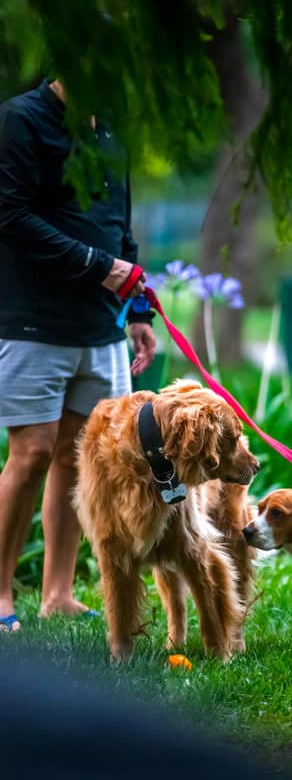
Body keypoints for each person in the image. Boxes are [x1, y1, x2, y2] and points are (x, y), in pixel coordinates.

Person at [0, 77, 157, 631]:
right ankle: (0, 595)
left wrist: (139, 310)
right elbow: (10, 216)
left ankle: (58, 593)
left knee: (78, 458)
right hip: (32, 319)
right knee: (31, 454)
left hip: (101, 325)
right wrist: (99, 266)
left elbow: (119, 230)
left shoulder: (112, 131)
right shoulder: (21, 120)